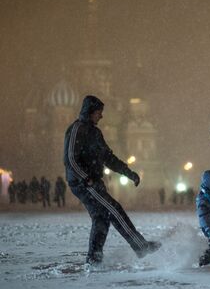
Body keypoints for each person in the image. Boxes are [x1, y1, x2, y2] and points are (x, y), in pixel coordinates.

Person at [64, 95, 161, 265]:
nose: (101, 116)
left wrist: (129, 173)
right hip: (84, 183)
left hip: (91, 181)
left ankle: (94, 259)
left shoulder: (95, 132)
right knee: (114, 209)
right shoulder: (77, 129)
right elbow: (71, 159)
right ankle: (140, 246)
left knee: (101, 218)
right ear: (90, 112)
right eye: (99, 113)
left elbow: (108, 158)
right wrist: (86, 178)